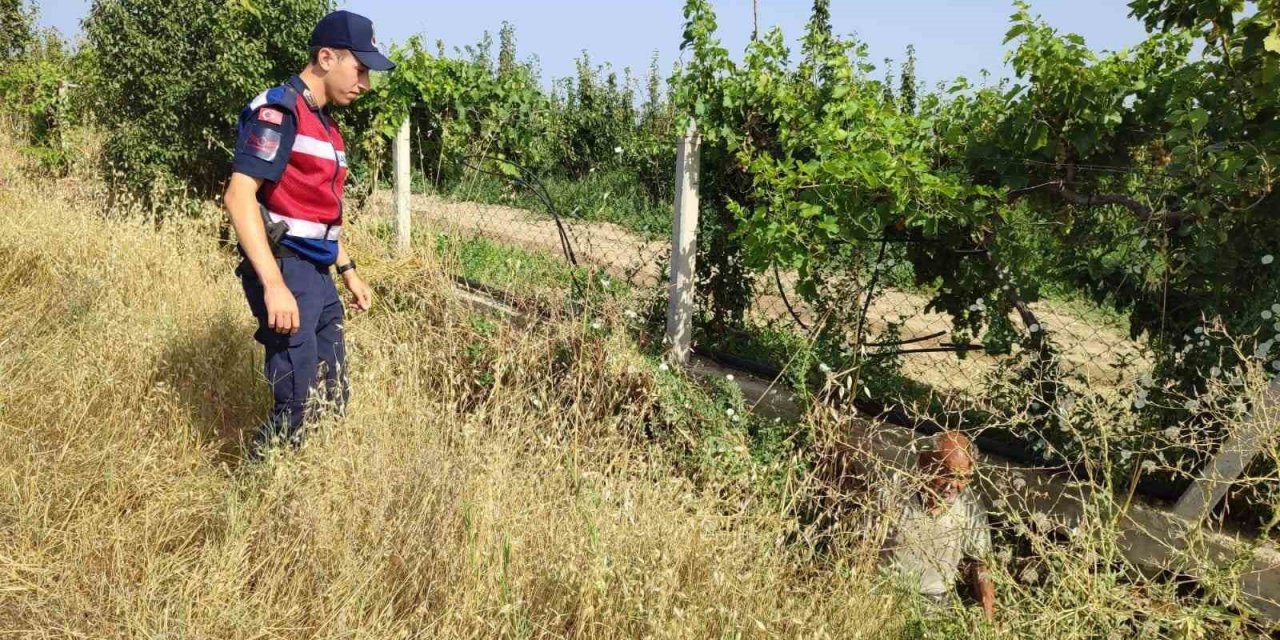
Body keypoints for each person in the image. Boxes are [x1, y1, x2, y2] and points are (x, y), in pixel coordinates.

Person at [223, 10, 394, 459]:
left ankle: (308, 481)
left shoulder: (327, 126)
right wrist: (274, 285)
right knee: (296, 401)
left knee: (332, 395)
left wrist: (348, 270)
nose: (365, 84)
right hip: (287, 269)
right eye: (359, 70)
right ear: (325, 57)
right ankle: (254, 490)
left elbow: (319, 215)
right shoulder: (279, 112)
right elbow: (239, 198)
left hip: (318, 273)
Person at [881, 431, 997, 620]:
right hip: (886, 594)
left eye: (962, 478)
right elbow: (861, 548)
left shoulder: (970, 505)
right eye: (945, 473)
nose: (952, 485)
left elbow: (980, 564)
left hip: (936, 603)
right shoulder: (893, 493)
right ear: (923, 462)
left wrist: (988, 619)